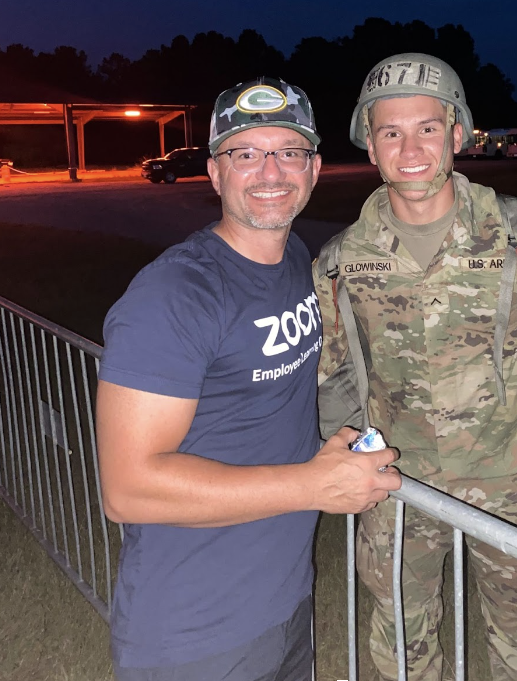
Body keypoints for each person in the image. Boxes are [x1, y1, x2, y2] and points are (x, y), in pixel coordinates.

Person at [96, 77, 401, 681]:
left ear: (313, 169)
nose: (270, 172)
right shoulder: (174, 295)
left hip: (283, 606)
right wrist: (312, 487)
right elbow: (127, 489)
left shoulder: (292, 262)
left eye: (287, 152)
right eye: (245, 153)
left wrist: (327, 455)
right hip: (193, 631)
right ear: (214, 172)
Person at [314, 54, 517, 681]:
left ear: (458, 135)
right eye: (390, 131)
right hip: (396, 486)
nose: (410, 147)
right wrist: (339, 468)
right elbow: (337, 376)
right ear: (370, 145)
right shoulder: (340, 261)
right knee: (401, 643)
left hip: (511, 484)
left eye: (426, 127)